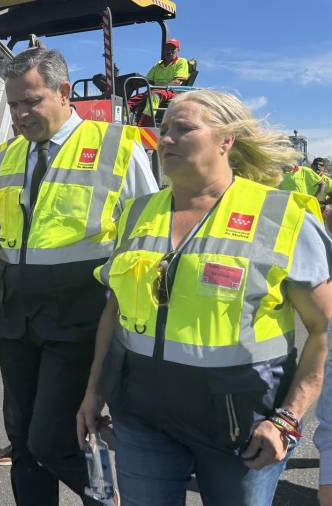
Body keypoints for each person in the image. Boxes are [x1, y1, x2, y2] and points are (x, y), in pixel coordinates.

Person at [77, 89, 332, 505]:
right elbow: (115, 310)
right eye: (164, 131)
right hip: (142, 416)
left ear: (225, 140)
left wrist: (287, 420)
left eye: (184, 129)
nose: (167, 140)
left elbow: (323, 330)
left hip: (242, 428)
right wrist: (93, 391)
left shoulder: (281, 216)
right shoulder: (139, 213)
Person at [0, 46, 158, 505]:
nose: (20, 113)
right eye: (13, 104)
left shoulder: (117, 146)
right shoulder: (6, 156)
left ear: (64, 92)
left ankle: (107, 498)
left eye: (30, 101)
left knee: (53, 439)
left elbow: (149, 236)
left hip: (80, 315)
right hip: (16, 315)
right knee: (24, 442)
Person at [127, 38, 190, 124]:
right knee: (131, 101)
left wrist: (157, 86)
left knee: (154, 96)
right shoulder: (158, 64)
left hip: (170, 91)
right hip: (154, 89)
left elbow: (177, 82)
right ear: (164, 50)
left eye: (173, 49)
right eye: (167, 48)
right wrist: (136, 82)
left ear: (178, 50)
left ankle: (146, 124)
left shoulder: (181, 62)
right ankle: (125, 120)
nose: (169, 51)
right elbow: (148, 80)